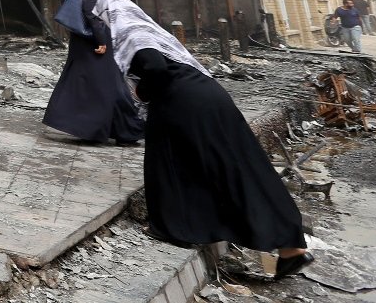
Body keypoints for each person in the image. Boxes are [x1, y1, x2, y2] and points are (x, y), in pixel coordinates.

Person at [126, 43, 313, 279]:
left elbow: (154, 67)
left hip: (184, 104)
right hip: (208, 96)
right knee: (240, 167)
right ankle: (291, 246)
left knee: (171, 166)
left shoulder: (133, 37)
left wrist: (141, 91)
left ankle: (177, 229)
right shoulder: (152, 35)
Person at [43, 0, 145, 145]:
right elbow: (91, 11)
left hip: (82, 40)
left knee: (87, 82)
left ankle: (92, 127)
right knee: (110, 83)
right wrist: (102, 40)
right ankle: (124, 131)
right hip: (93, 41)